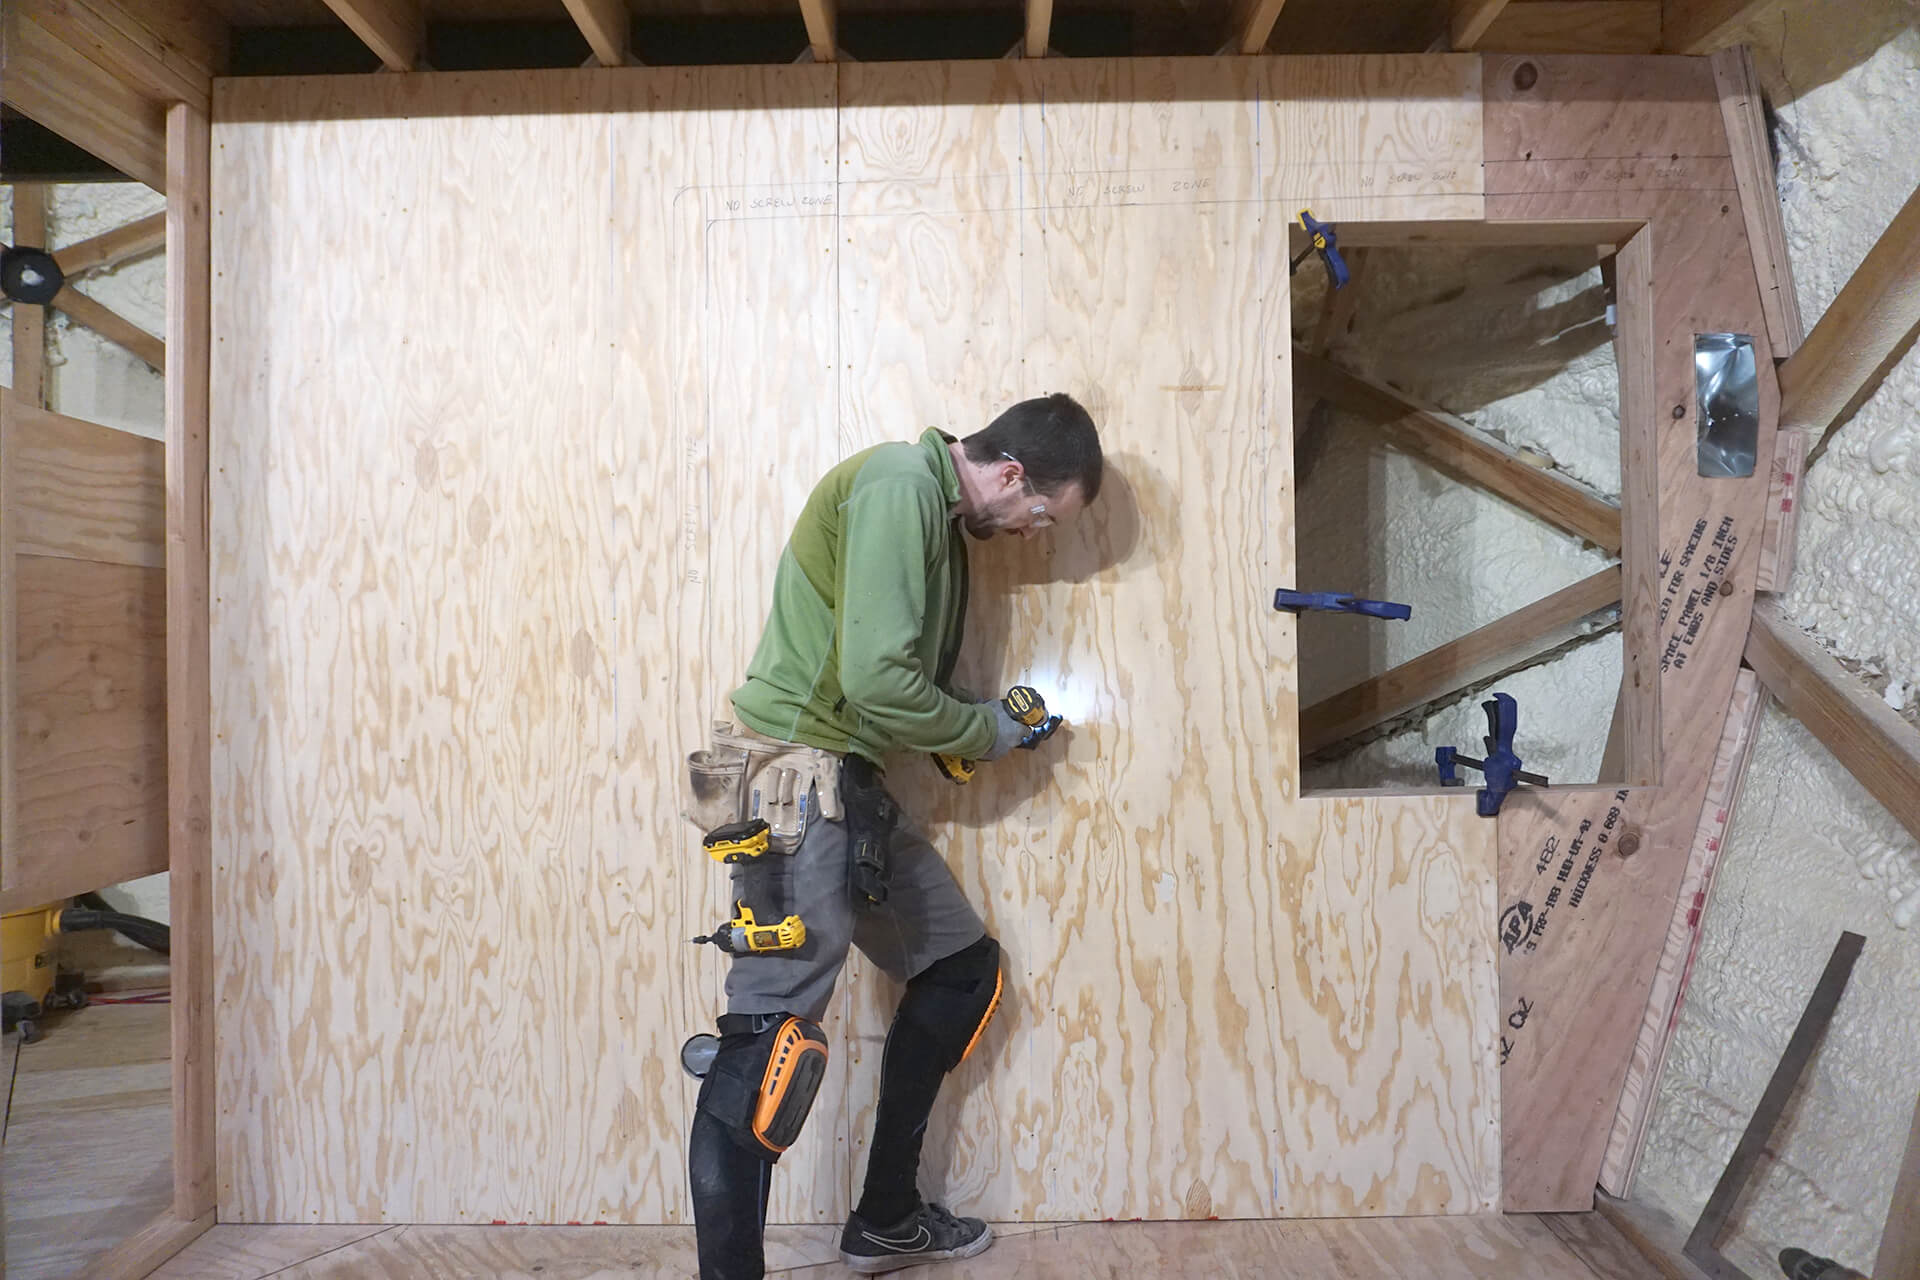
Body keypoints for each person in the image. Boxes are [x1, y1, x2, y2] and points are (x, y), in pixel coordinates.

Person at [685, 393, 1103, 1278]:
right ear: (1011, 474)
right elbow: (878, 681)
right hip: (800, 778)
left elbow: (886, 684)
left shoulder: (935, 519)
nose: (1032, 533)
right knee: (768, 1047)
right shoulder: (899, 484)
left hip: (850, 783)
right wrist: (984, 731)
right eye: (1041, 514)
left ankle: (885, 1218)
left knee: (961, 969)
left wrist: (964, 729)